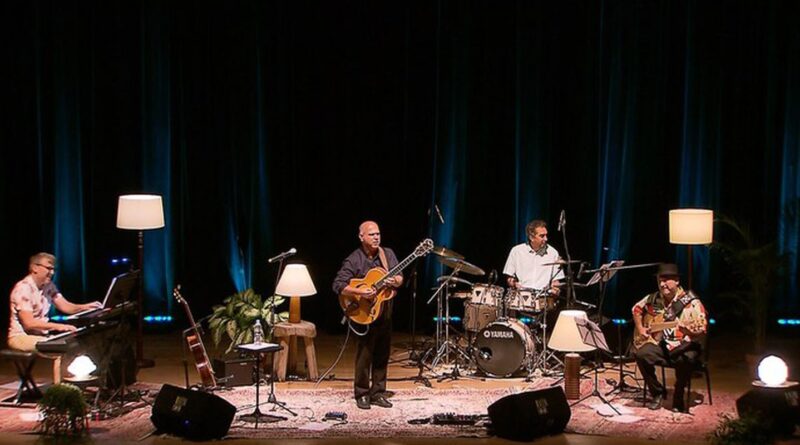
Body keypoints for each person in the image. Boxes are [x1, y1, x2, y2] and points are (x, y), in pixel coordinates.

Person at [333, 221, 403, 410]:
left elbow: (399, 278)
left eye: (378, 234)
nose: (376, 237)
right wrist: (361, 292)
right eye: (371, 234)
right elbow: (338, 284)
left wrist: (395, 280)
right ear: (361, 237)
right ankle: (362, 393)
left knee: (382, 354)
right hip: (364, 313)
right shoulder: (354, 259)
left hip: (384, 311)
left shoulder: (387, 254)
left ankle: (378, 392)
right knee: (364, 355)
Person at [632, 263, 708, 413]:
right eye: (660, 280)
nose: (662, 284)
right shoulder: (654, 298)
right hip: (663, 344)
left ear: (677, 281)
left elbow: (701, 328)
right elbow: (636, 309)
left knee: (685, 359)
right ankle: (658, 393)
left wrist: (688, 331)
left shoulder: (692, 302)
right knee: (641, 354)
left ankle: (678, 396)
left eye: (666, 280)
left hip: (685, 345)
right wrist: (641, 329)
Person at [7, 252, 102, 352]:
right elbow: (29, 323)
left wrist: (86, 307)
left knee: (78, 343)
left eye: (54, 269)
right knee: (61, 348)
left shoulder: (49, 286)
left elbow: (66, 306)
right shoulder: (23, 288)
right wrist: (59, 326)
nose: (52, 273)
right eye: (49, 268)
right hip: (20, 337)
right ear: (35, 268)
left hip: (41, 335)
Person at [503, 219, 564, 293]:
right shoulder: (517, 251)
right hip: (522, 295)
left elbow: (556, 280)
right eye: (542, 236)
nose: (546, 239)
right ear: (531, 237)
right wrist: (514, 283)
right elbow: (509, 277)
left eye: (546, 235)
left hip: (543, 296)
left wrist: (555, 289)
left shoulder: (553, 253)